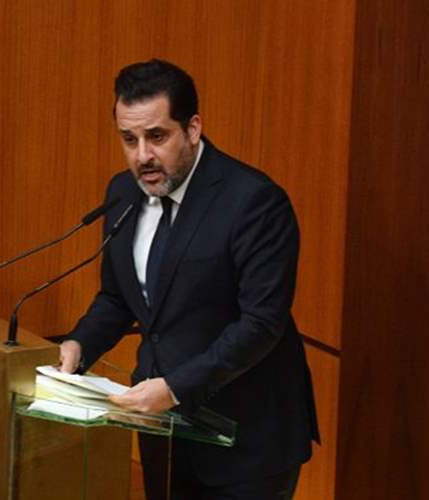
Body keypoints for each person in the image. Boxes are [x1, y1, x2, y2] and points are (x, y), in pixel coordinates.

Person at [59, 59, 319, 499]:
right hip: (165, 436)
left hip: (247, 442)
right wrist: (80, 346)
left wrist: (175, 388)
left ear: (193, 128)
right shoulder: (123, 193)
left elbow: (261, 324)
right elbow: (119, 298)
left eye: (157, 137)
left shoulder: (254, 202)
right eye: (129, 139)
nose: (142, 156)